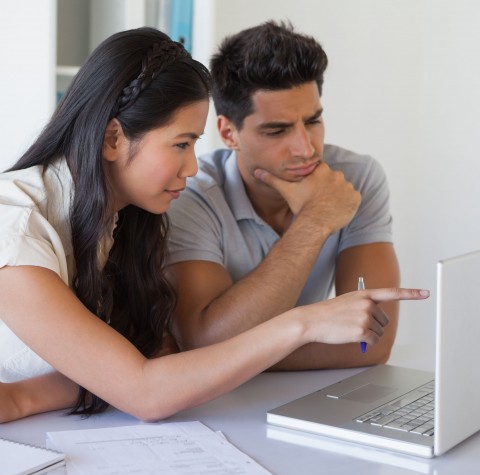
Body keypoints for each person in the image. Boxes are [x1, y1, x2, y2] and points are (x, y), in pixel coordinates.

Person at [0, 27, 428, 424]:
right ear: (113, 139)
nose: (191, 166)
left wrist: (26, 397)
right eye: (181, 144)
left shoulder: (121, 218)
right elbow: (146, 389)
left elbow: (142, 359)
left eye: (194, 144)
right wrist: (304, 323)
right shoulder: (16, 226)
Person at [166, 21, 401, 369]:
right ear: (228, 133)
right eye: (277, 130)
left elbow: (372, 346)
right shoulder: (191, 193)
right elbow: (205, 343)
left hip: (310, 397)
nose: (305, 148)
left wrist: (236, 352)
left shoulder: (356, 178)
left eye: (313, 121)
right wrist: (316, 220)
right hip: (220, 405)